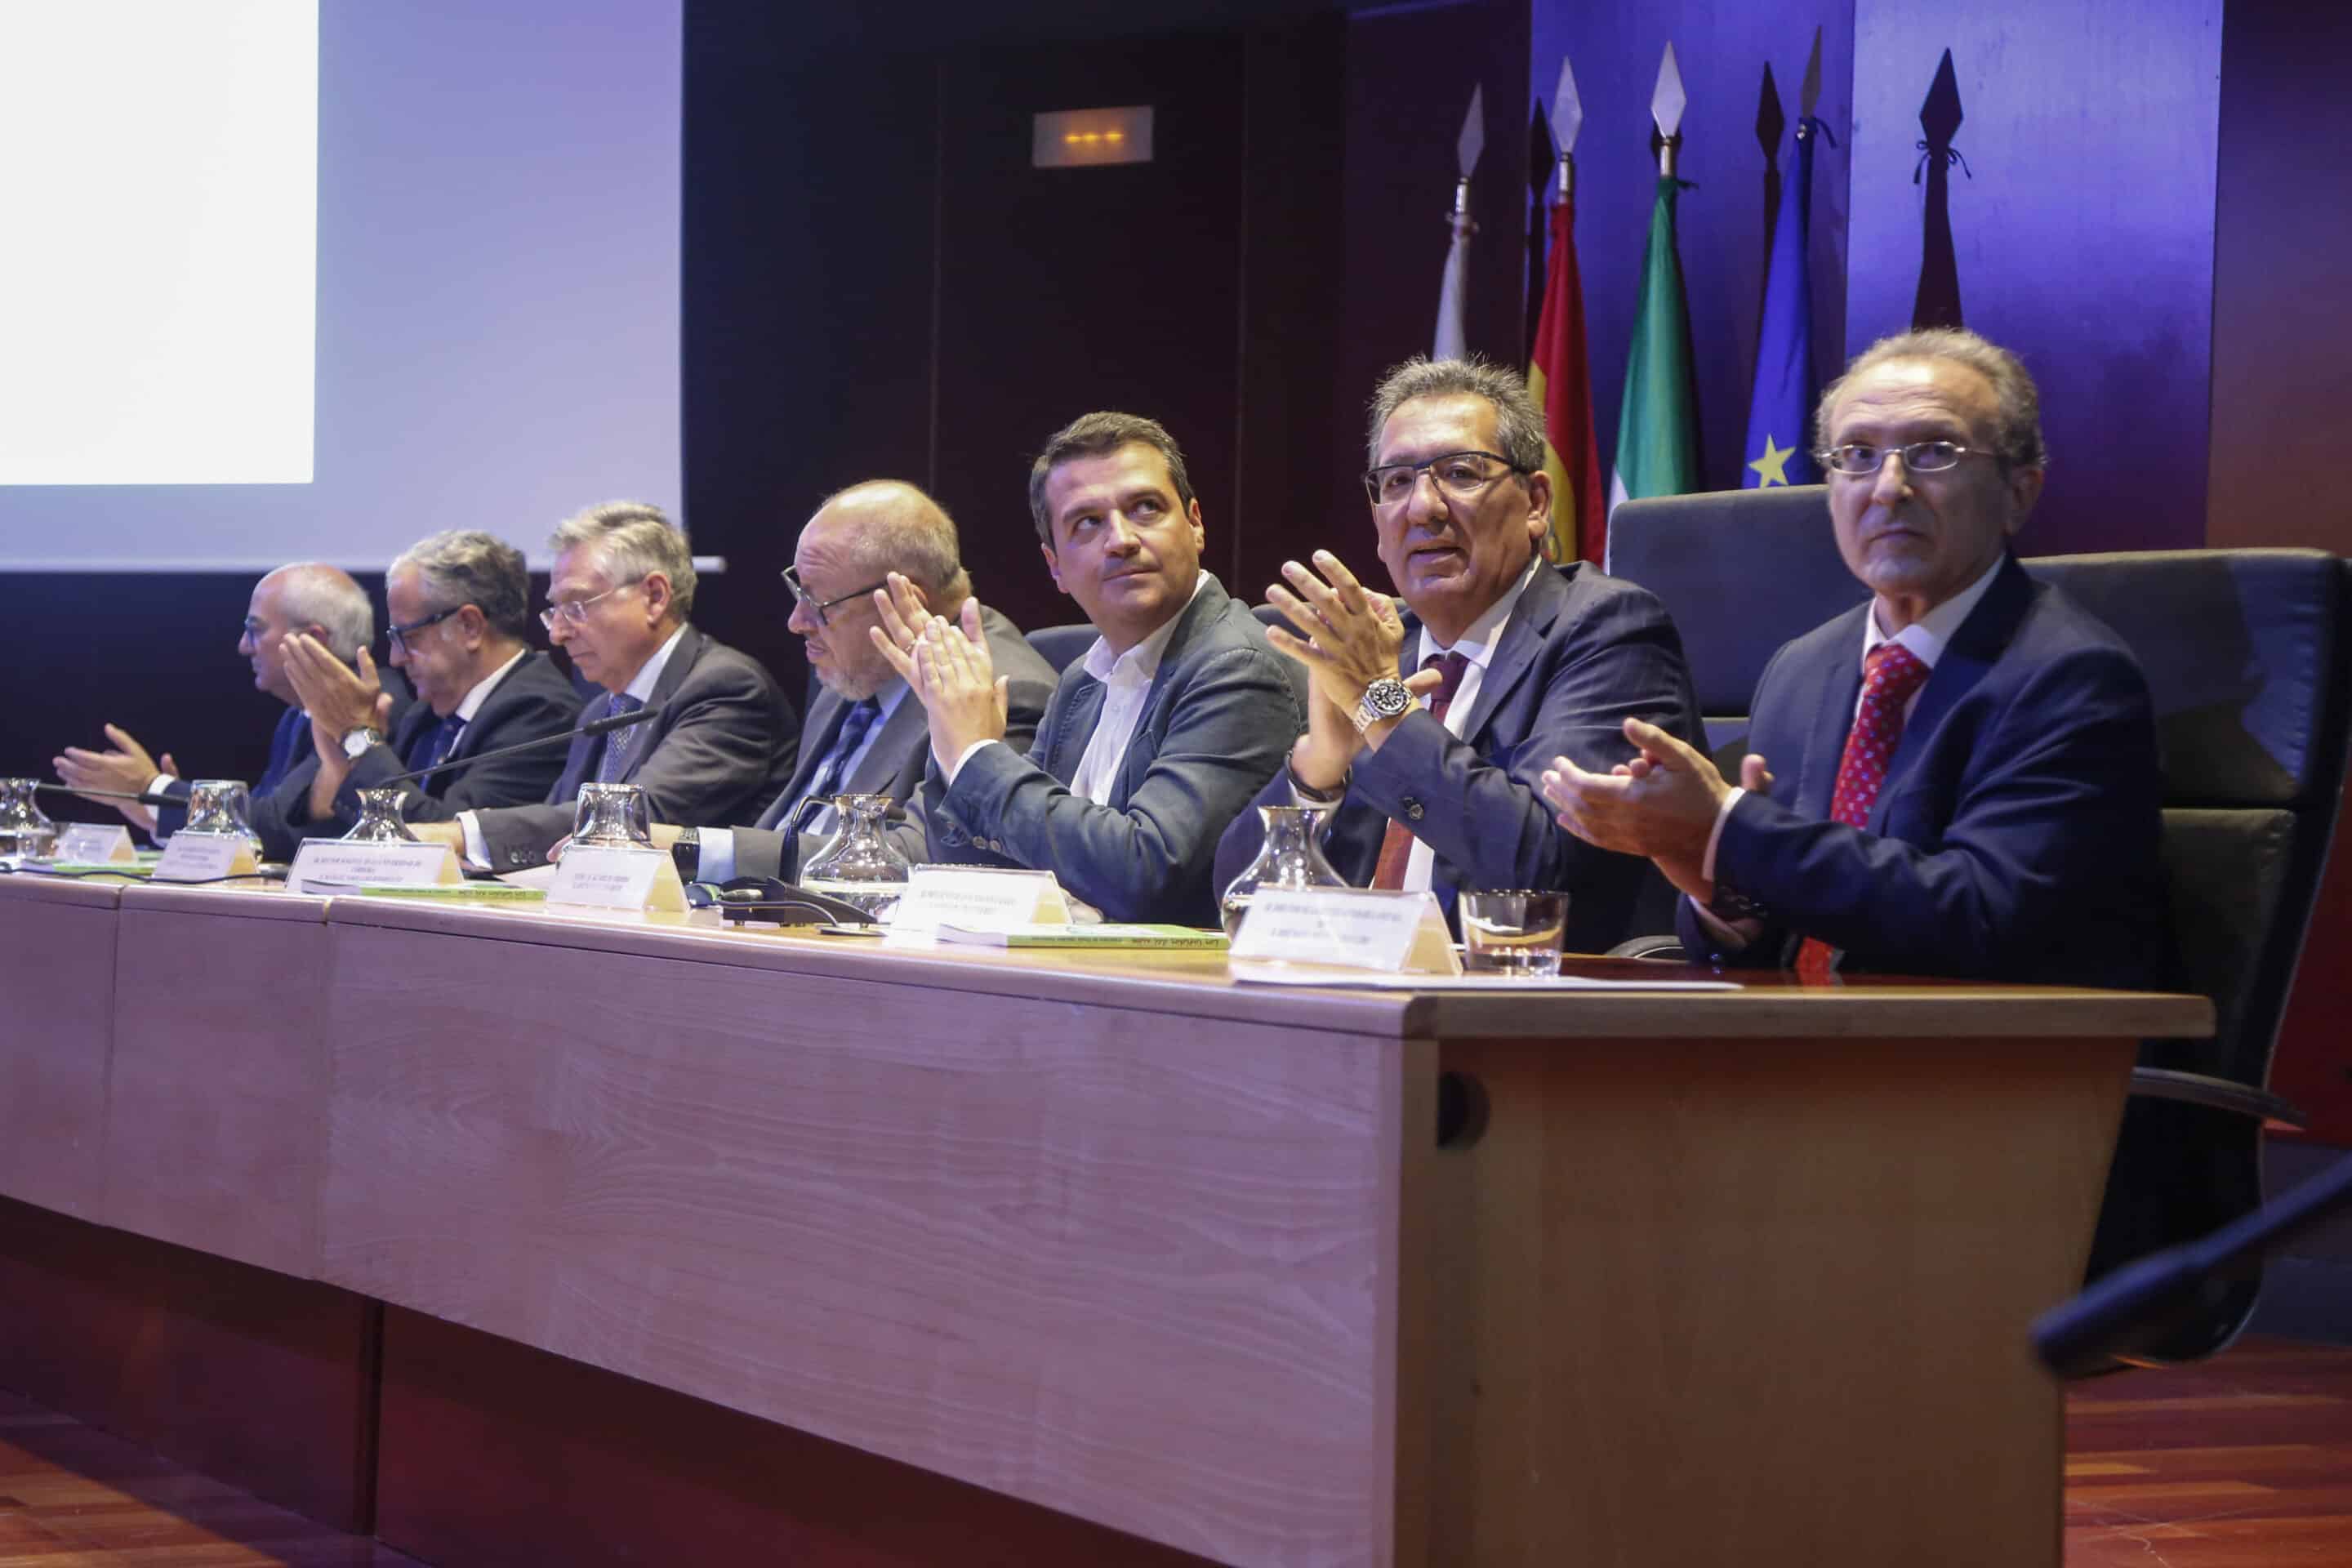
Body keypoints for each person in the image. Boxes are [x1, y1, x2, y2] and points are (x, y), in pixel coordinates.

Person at [1537, 327, 2168, 991]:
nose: (1887, 487)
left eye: (1932, 452)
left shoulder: (2072, 678)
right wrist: (1727, 891)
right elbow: (1782, 916)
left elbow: (1986, 920)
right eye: (1858, 456)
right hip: (1797, 1054)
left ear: (2019, 492)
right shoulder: (1806, 668)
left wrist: (1728, 830)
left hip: (1976, 1070)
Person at [1212, 357, 1700, 952]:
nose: (1423, 507)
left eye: (1461, 473)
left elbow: (1541, 873)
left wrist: (1382, 705)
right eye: (1396, 481)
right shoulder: (1392, 645)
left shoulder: (1607, 630)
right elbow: (1233, 902)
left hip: (1523, 1016)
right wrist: (1319, 771)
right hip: (1356, 1000)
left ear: (1536, 503)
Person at [876, 412, 1300, 925]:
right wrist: (951, 744)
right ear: (1055, 565)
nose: (1120, 539)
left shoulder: (1236, 669)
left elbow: (1143, 875)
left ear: (1194, 523)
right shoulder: (1082, 679)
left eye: (1146, 508)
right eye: (1088, 523)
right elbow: (984, 872)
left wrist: (977, 754)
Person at [412, 501, 797, 871]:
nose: (559, 634)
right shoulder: (601, 710)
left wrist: (463, 835)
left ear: (655, 597)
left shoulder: (725, 689)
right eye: (555, 612)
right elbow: (556, 837)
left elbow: (631, 823)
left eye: (577, 606)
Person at [51, 563, 412, 859]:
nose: (243, 648)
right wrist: (155, 813)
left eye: (254, 631)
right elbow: (262, 816)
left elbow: (276, 824)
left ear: (312, 641)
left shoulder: (376, 707)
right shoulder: (295, 717)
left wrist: (155, 790)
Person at [278, 530, 583, 831]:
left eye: (408, 637)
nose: (396, 659)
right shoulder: (426, 715)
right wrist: (339, 768)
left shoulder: (540, 713)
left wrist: (358, 738)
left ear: (469, 626)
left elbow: (446, 839)